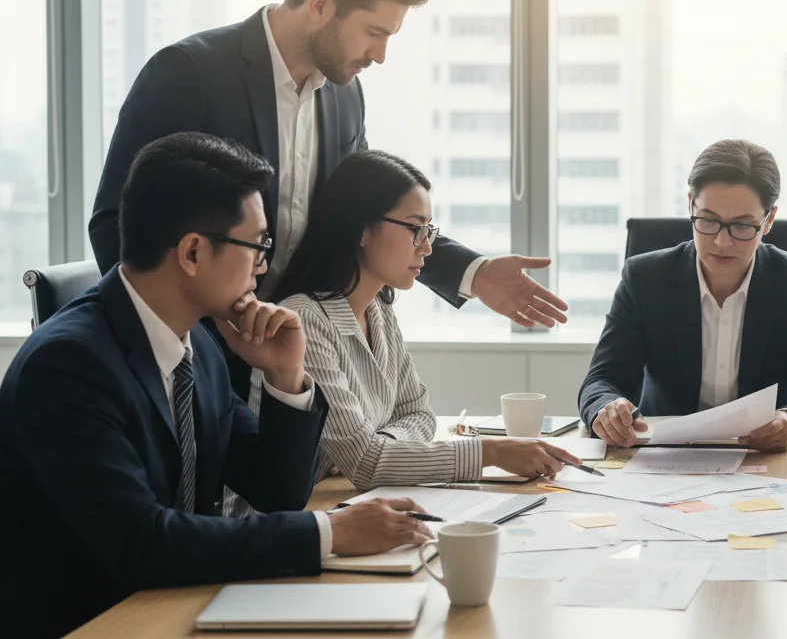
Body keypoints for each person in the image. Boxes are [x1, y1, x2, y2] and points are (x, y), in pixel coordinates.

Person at [90, 0, 567, 400]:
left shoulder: (345, 95)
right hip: (200, 359)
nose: (380, 55)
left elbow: (367, 210)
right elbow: (116, 222)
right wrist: (187, 346)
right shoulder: (189, 73)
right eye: (374, 32)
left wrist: (473, 273)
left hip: (297, 357)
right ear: (320, 4)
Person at [0, 133, 435, 638]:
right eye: (257, 246)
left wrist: (286, 376)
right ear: (193, 252)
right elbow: (142, 542)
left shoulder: (197, 343)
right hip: (91, 621)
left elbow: (277, 491)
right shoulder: (68, 365)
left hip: (177, 600)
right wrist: (328, 531)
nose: (263, 267)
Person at [226, 150, 579, 517]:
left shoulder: (379, 309)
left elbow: (420, 415)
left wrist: (382, 446)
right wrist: (491, 452)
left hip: (336, 505)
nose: (427, 247)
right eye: (415, 229)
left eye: (429, 230)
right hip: (282, 526)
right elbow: (366, 464)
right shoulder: (304, 319)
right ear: (362, 229)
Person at [578, 140, 787, 451]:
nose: (722, 242)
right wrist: (608, 409)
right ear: (690, 205)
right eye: (708, 221)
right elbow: (601, 380)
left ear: (769, 220)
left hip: (766, 456)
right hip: (664, 454)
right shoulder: (645, 278)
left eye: (742, 226)